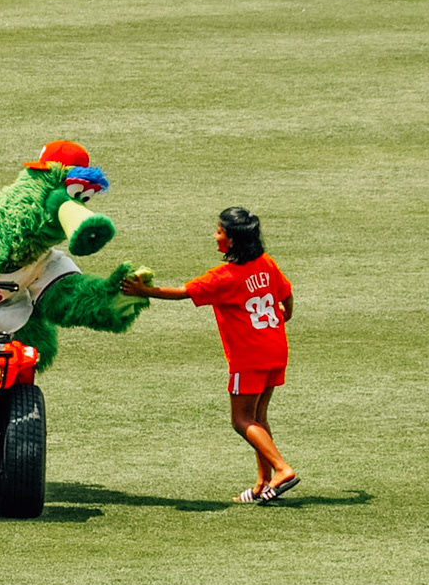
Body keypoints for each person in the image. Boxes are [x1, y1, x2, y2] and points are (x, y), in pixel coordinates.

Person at [121, 207, 299, 503]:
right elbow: (287, 296)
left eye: (219, 231)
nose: (214, 236)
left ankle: (282, 469)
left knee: (241, 420)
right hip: (276, 348)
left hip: (249, 357)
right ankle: (263, 483)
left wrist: (144, 291)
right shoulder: (266, 263)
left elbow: (183, 292)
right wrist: (285, 316)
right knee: (258, 418)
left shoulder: (225, 276)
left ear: (231, 241)